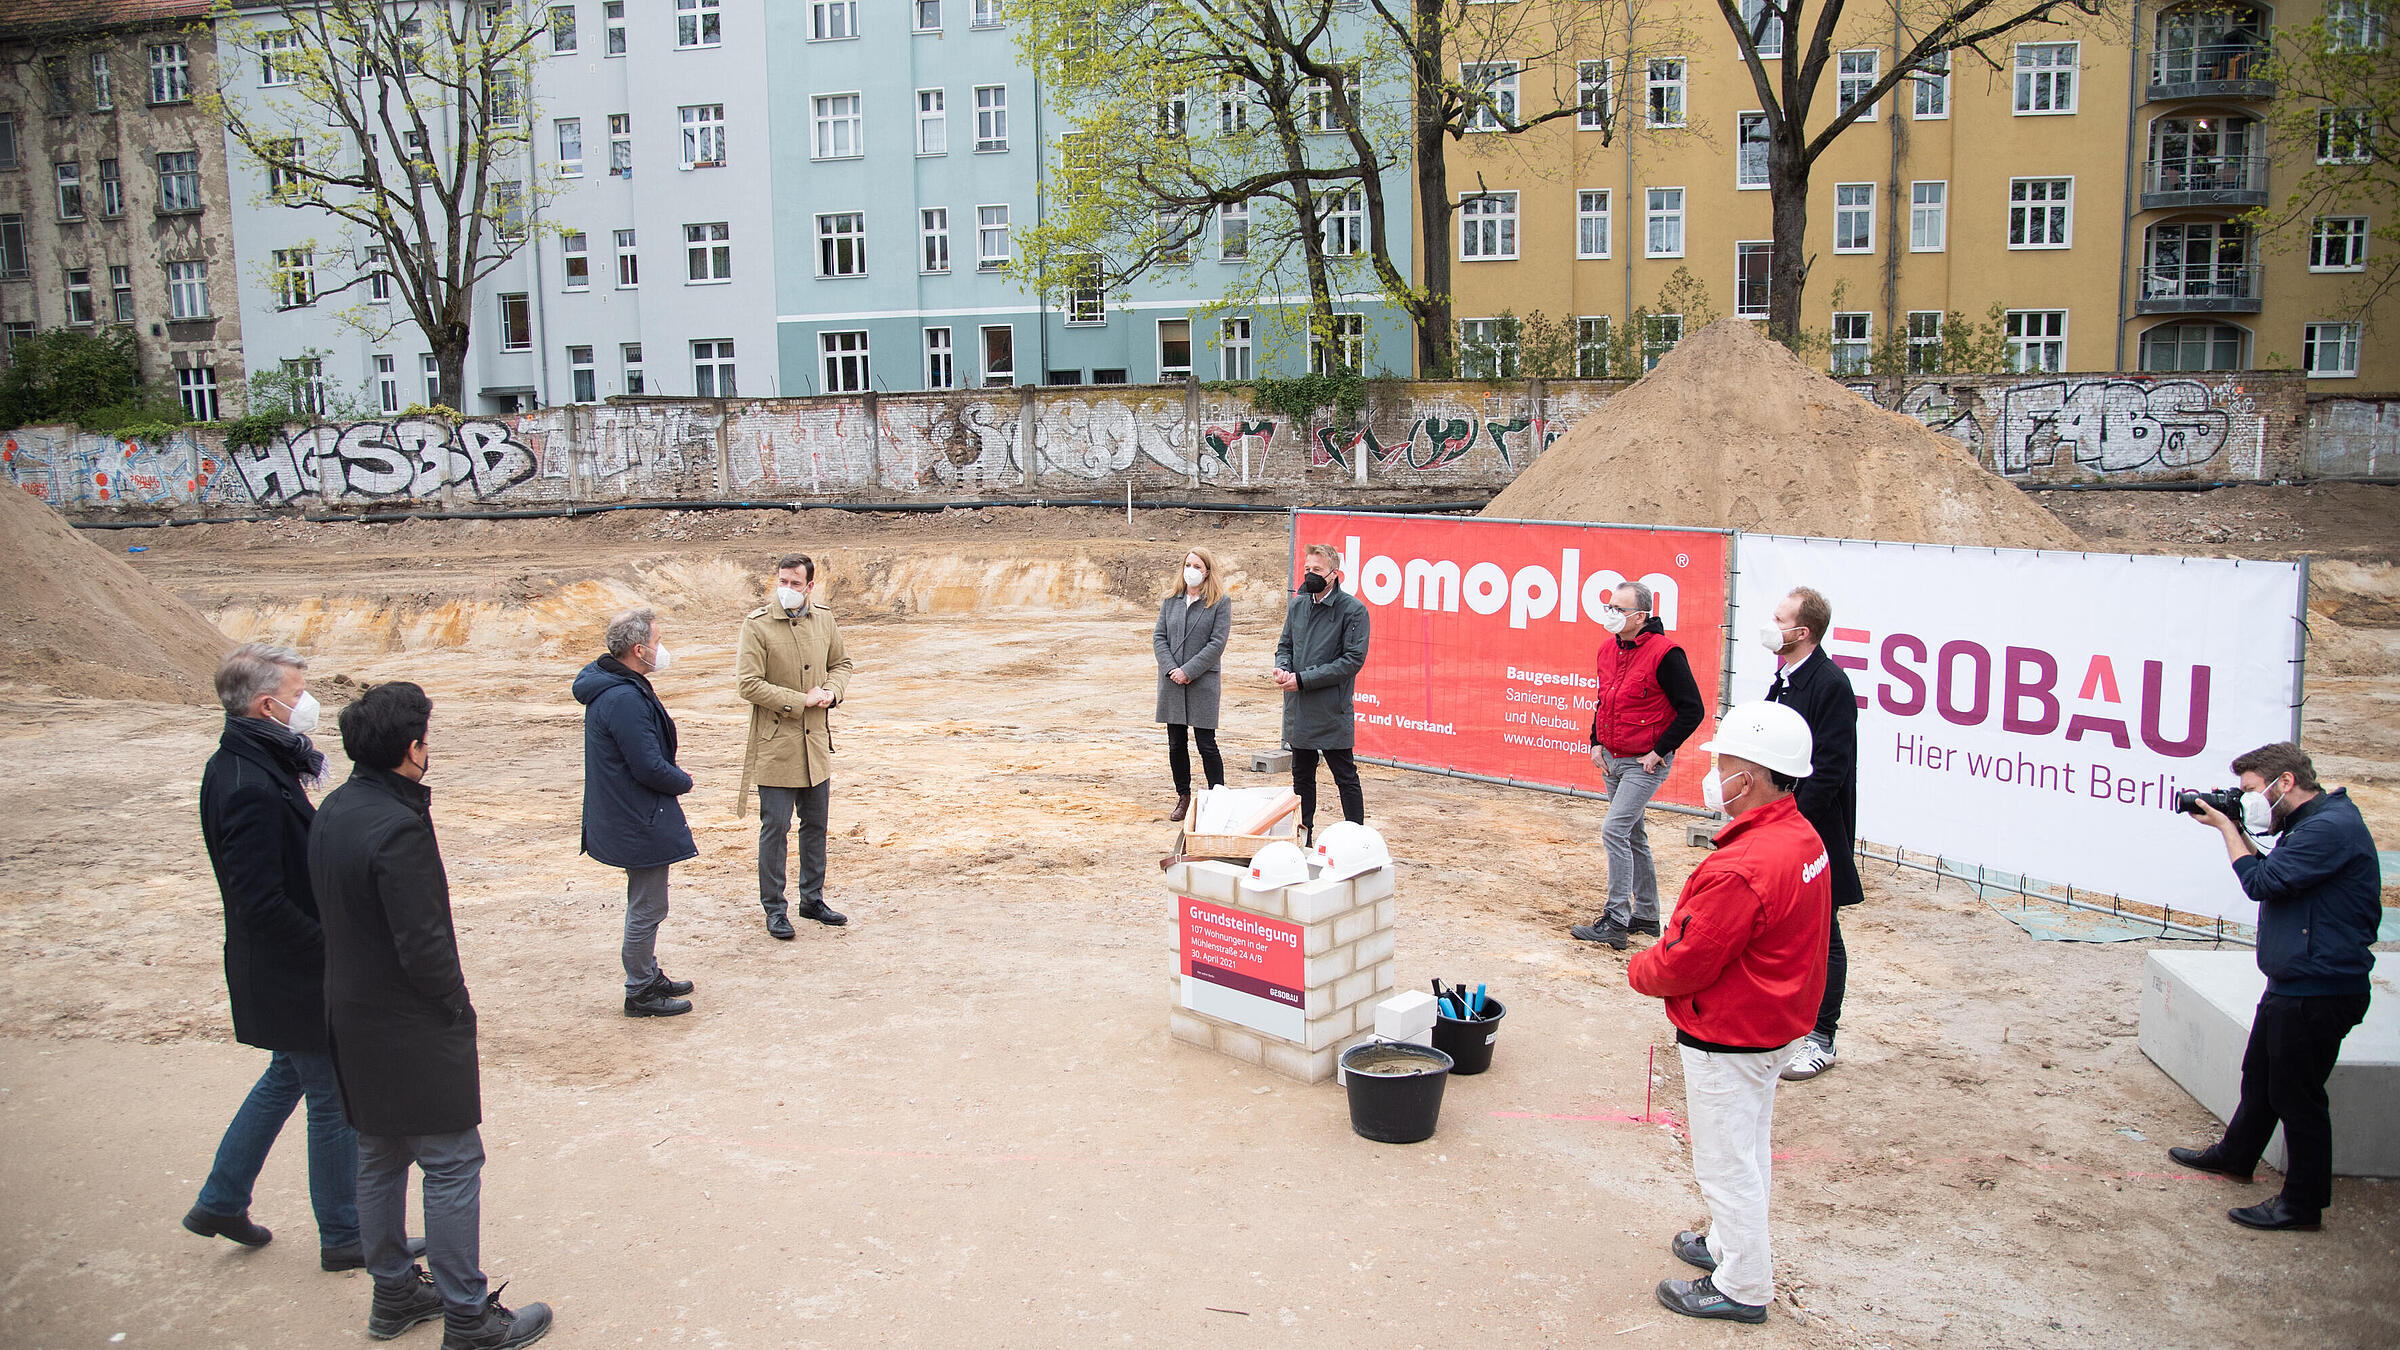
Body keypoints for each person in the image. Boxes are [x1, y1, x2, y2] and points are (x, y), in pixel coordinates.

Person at [311, 682, 552, 1349]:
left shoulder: (333, 809)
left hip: (350, 1013)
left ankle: (393, 1293)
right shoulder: (398, 827)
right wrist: (454, 1008)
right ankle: (467, 1318)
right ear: (411, 749)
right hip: (408, 1023)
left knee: (380, 1153)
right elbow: (425, 946)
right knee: (450, 1162)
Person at [1627, 702, 1830, 1326]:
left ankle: (1742, 1285)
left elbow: (1687, 961)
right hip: (1772, 1022)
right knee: (1748, 1146)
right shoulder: (1799, 837)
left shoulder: (1745, 866)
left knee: (1725, 1163)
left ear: (1757, 774)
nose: (1715, 771)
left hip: (1731, 1030)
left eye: (1725, 762)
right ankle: (1724, 1245)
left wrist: (1642, 970)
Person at [184, 643, 363, 1268]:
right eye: (297, 692)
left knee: (287, 1077)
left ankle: (221, 1197)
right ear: (267, 705)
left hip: (285, 966)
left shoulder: (257, 764)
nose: (307, 703)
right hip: (291, 971)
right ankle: (345, 1236)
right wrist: (334, 951)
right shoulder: (248, 785)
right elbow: (259, 900)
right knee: (333, 1100)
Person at [2170, 742, 2381, 1231]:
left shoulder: (2329, 829)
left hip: (2320, 988)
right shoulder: (2314, 823)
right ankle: (2236, 1155)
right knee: (2261, 1076)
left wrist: (2228, 828)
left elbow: (2262, 882)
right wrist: (2237, 824)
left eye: (2250, 790)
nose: (2246, 801)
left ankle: (2302, 1206)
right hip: (2297, 979)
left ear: (2284, 782)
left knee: (2297, 1095)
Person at [575, 608, 699, 1018]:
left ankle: (648, 973)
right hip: (636, 818)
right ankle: (640, 990)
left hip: (627, 813)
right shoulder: (624, 696)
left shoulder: (616, 684)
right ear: (639, 649)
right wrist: (682, 780)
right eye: (658, 643)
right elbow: (646, 765)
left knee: (645, 902)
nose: (662, 651)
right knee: (648, 907)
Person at [1759, 587, 1861, 1082]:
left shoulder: (1830, 684)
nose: (1770, 626)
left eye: (1778, 620)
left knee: (1825, 935)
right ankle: (1787, 1024)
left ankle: (1822, 1038)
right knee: (1786, 930)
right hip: (1781, 825)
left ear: (1802, 632)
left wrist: (1789, 819)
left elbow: (1831, 768)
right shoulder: (1783, 678)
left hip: (1814, 832)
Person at [1571, 581, 1707, 951]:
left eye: (1619, 609)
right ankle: (1646, 915)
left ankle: (1616, 919)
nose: (1611, 614)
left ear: (1640, 617)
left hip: (1643, 763)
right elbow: (1604, 699)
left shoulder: (1666, 654)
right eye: (1610, 606)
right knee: (1632, 834)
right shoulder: (1607, 649)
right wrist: (1595, 741)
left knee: (1614, 830)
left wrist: (1660, 750)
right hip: (1613, 756)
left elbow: (1693, 709)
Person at [737, 552, 855, 939]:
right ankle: (774, 908)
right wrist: (797, 700)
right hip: (776, 744)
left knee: (816, 825)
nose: (786, 589)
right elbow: (748, 684)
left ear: (810, 586)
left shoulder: (824, 618)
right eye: (782, 581)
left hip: (816, 743)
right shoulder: (757, 626)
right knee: (775, 827)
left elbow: (842, 664)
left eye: (794, 583)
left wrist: (832, 694)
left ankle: (812, 899)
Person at [1271, 542, 1370, 841]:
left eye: (1317, 570)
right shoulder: (1298, 604)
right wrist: (1283, 667)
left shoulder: (1353, 611)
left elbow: (1351, 661)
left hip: (1330, 708)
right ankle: (1304, 836)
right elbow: (1284, 645)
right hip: (1299, 706)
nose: (1310, 574)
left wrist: (1304, 679)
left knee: (1345, 776)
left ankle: (1357, 840)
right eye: (1307, 569)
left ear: (1334, 574)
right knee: (1302, 774)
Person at [1154, 547, 1233, 823]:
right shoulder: (1170, 601)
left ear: (1207, 571)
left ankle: (1218, 798)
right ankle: (1183, 796)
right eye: (1188, 564)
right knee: (1176, 744)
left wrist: (1189, 671)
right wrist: (1172, 669)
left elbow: (1216, 644)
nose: (1191, 569)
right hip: (1172, 683)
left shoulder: (1220, 603)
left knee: (1206, 744)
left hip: (1202, 683)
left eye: (1197, 566)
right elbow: (1159, 638)